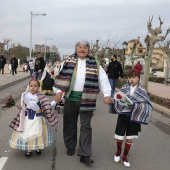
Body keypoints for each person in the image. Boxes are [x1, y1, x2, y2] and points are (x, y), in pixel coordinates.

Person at [53, 40, 112, 164]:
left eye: (85, 47)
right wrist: (58, 91)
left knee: (86, 126)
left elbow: (103, 79)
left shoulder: (95, 63)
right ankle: (70, 146)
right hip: (70, 98)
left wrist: (106, 94)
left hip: (87, 99)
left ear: (88, 50)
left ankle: (85, 154)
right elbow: (61, 77)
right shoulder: (68, 62)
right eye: (80, 47)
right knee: (70, 124)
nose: (82, 49)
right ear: (76, 49)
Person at [110, 68, 152, 168]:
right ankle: (118, 152)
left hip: (135, 117)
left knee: (130, 137)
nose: (131, 79)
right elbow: (118, 98)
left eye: (134, 77)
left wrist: (135, 105)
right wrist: (115, 100)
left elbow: (146, 104)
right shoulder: (124, 87)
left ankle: (124, 157)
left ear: (138, 78)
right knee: (119, 136)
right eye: (129, 77)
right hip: (123, 115)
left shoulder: (142, 90)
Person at [9, 79, 58, 157]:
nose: (33, 88)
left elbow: (47, 104)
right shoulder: (25, 96)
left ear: (38, 87)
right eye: (31, 86)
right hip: (27, 118)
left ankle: (37, 147)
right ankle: (29, 149)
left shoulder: (41, 96)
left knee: (38, 132)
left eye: (35, 86)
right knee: (28, 132)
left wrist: (55, 102)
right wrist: (20, 107)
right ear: (29, 86)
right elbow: (23, 107)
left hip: (38, 118)